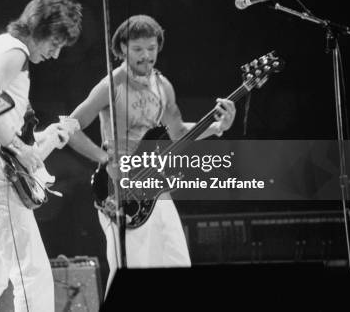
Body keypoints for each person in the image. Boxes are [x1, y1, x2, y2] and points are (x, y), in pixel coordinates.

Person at [66, 15, 236, 290]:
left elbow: (178, 133)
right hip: (118, 191)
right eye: (137, 49)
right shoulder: (112, 84)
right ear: (122, 48)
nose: (146, 56)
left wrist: (217, 127)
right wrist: (104, 158)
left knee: (176, 262)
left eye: (152, 48)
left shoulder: (163, 86)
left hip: (156, 188)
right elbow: (71, 126)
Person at [0, 0, 82, 312]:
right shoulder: (15, 50)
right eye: (55, 42)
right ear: (38, 28)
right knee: (32, 274)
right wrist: (18, 148)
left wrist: (44, 138)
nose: (54, 54)